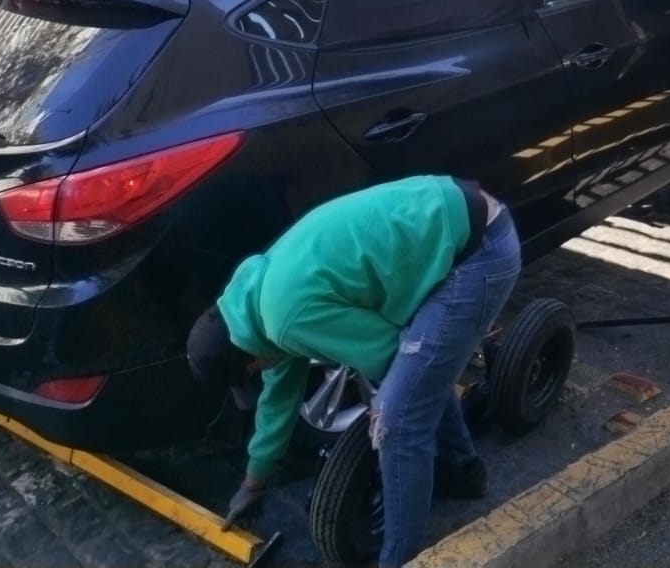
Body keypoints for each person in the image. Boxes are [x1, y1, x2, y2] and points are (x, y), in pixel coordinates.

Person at [186, 176, 520, 568]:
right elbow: (278, 400)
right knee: (416, 382)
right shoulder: (257, 303)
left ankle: (399, 559)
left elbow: (391, 354)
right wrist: (253, 482)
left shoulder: (284, 319)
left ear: (248, 360)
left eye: (250, 376)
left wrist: (387, 395)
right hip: (452, 219)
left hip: (479, 252)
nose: (260, 377)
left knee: (398, 421)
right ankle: (465, 472)